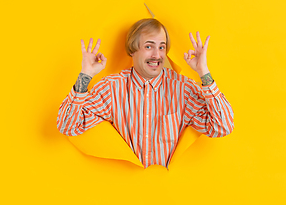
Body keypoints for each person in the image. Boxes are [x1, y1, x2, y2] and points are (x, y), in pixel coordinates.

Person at [57, 18, 234, 169]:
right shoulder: (113, 88)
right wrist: (85, 76)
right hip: (127, 192)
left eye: (162, 47)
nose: (157, 55)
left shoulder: (183, 88)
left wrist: (204, 72)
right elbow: (67, 126)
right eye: (149, 46)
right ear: (132, 50)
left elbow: (222, 127)